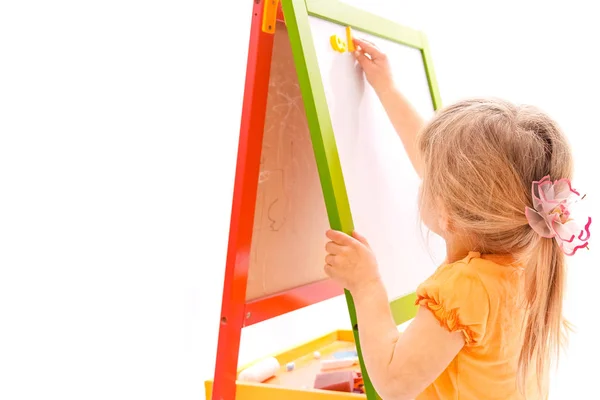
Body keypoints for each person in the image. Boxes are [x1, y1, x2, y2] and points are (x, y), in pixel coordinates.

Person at [323, 38, 592, 399]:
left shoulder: (464, 289)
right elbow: (447, 173)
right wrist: (387, 89)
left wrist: (366, 284)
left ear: (449, 213)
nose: (424, 179)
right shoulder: (531, 255)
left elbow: (393, 383)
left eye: (430, 180)